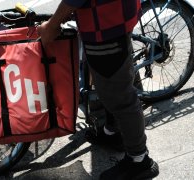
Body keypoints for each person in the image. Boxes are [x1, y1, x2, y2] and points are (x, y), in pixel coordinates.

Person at [37, 0, 159, 179]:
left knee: (120, 96)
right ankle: (113, 133)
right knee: (107, 86)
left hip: (106, 23)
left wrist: (52, 25)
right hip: (106, 19)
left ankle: (139, 160)